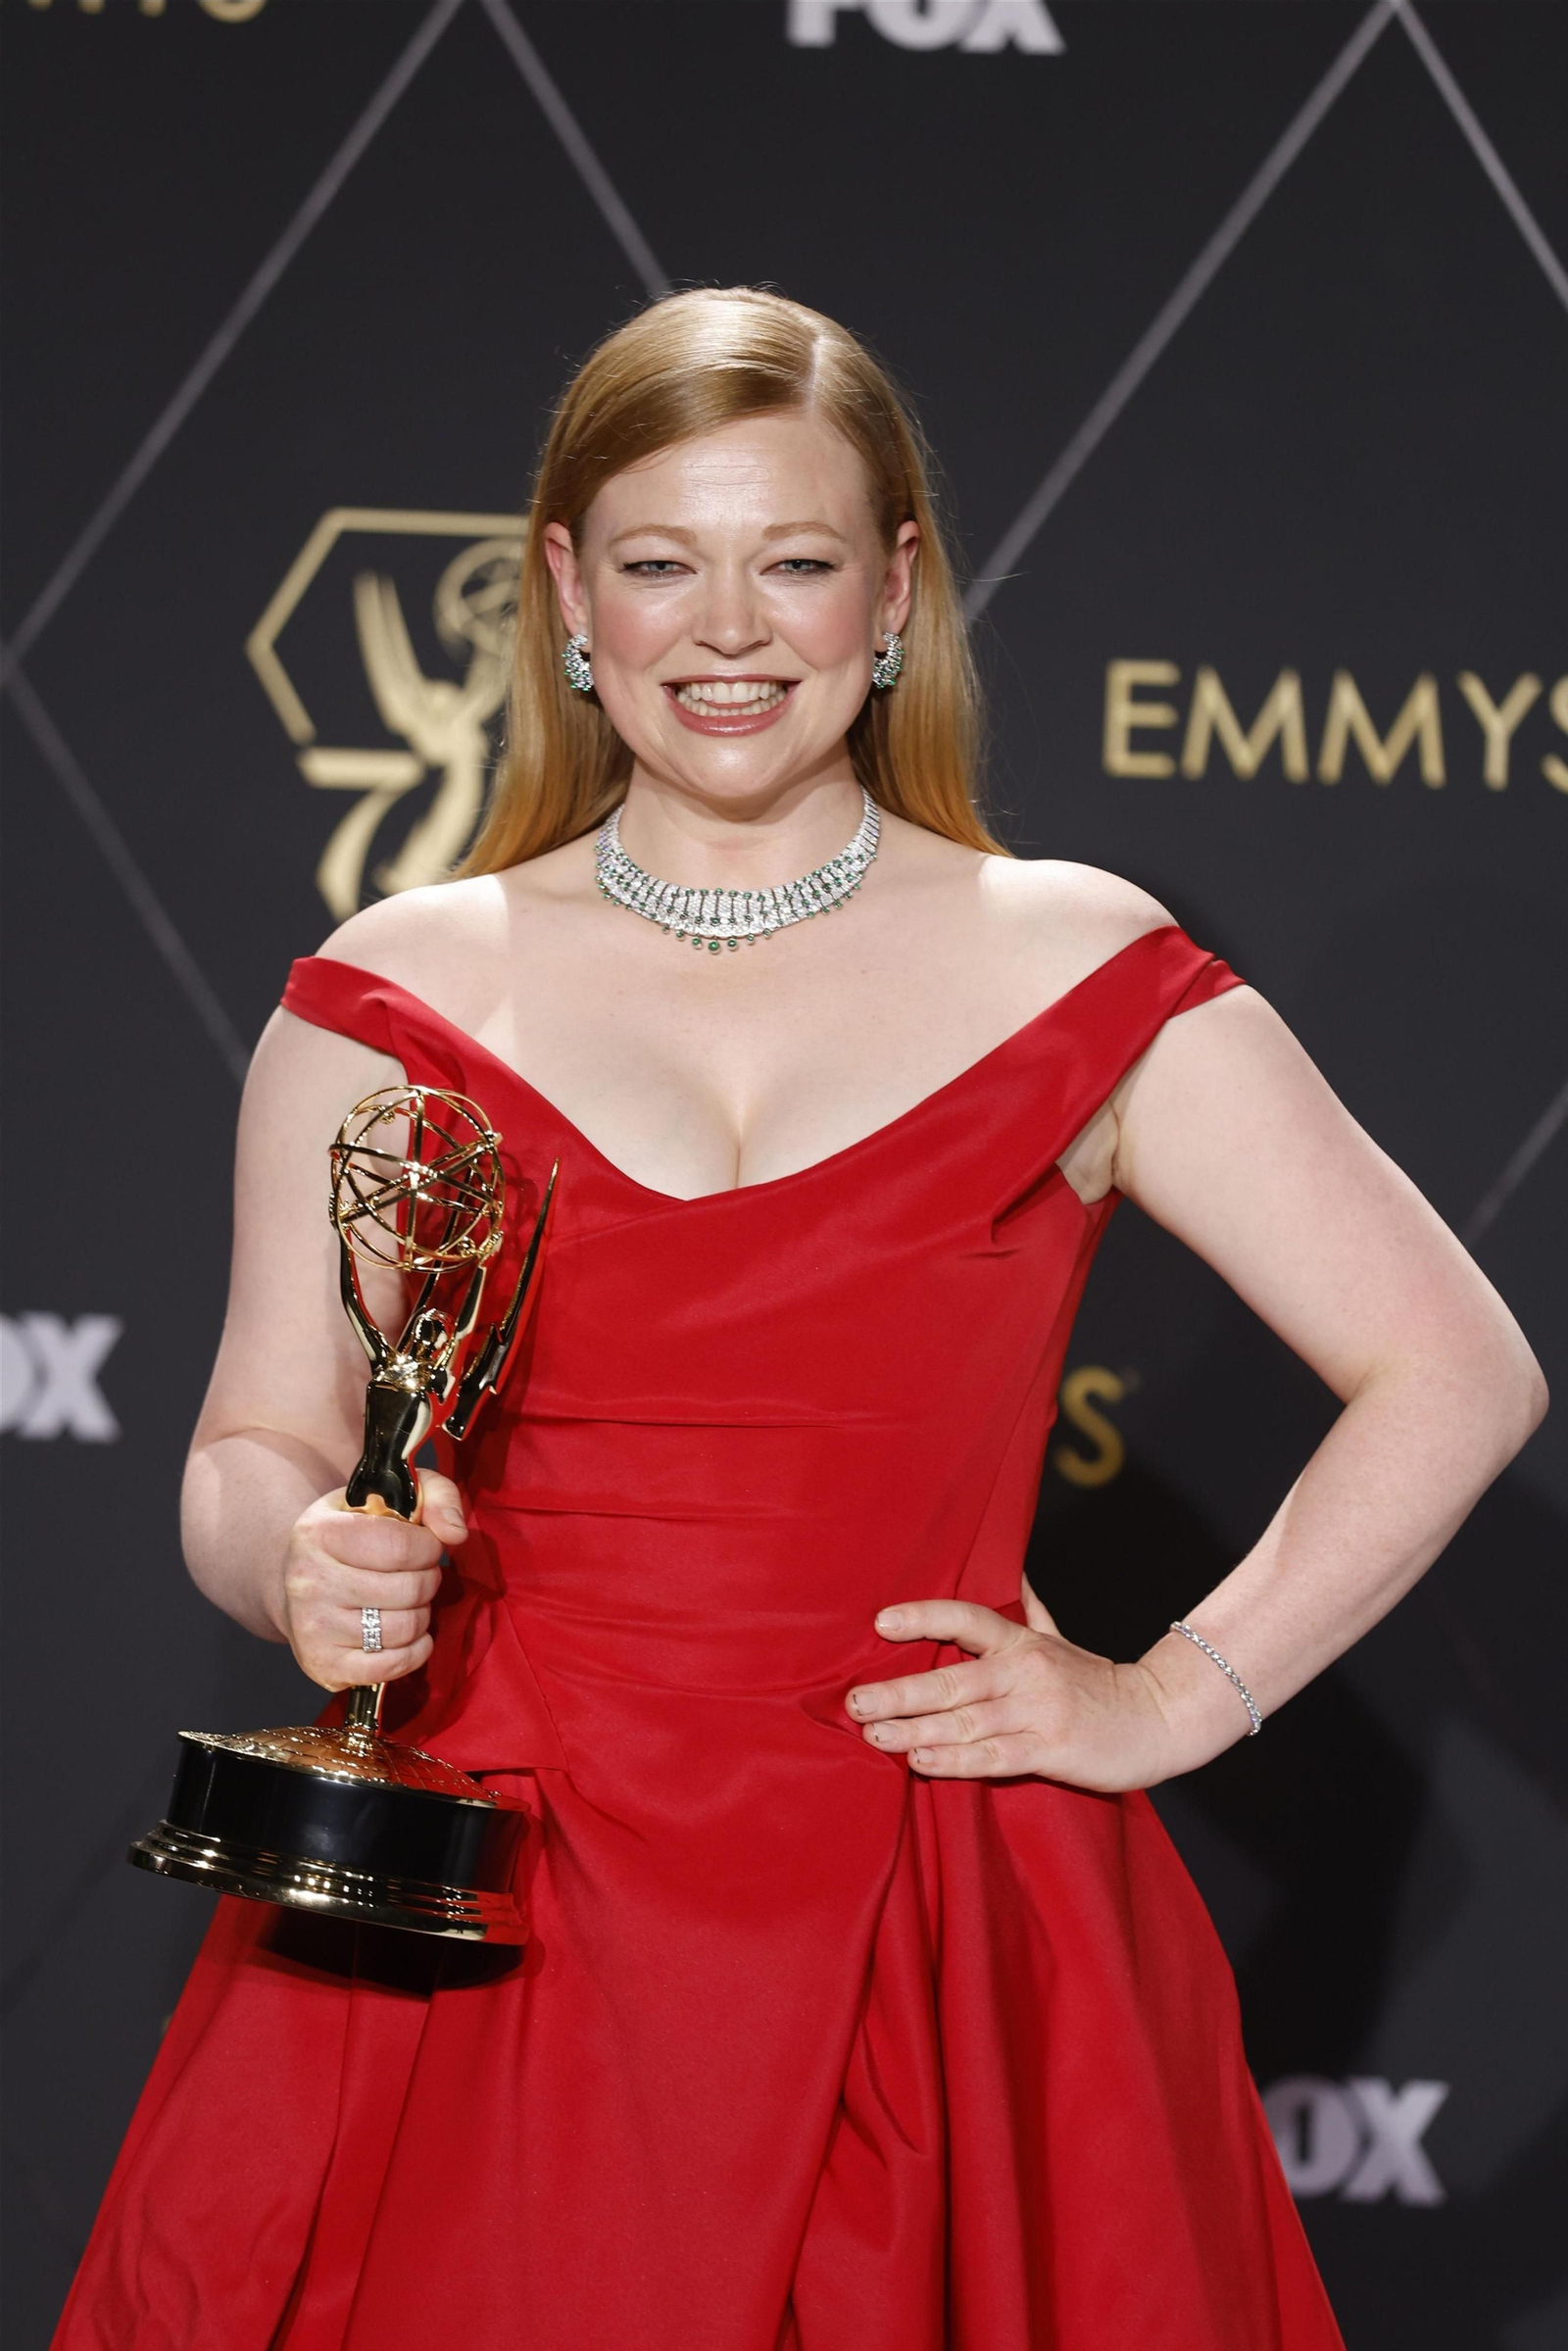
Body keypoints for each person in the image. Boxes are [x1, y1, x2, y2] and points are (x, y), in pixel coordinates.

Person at [57, 289, 1544, 2351]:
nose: (726, 627)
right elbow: (255, 1448)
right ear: (570, 593)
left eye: (796, 561)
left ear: (895, 591)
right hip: (485, 1908)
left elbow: (1452, 1366)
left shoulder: (1077, 969)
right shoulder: (387, 995)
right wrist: (297, 1566)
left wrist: (1175, 1696)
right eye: (662, 562)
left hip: (934, 1914)